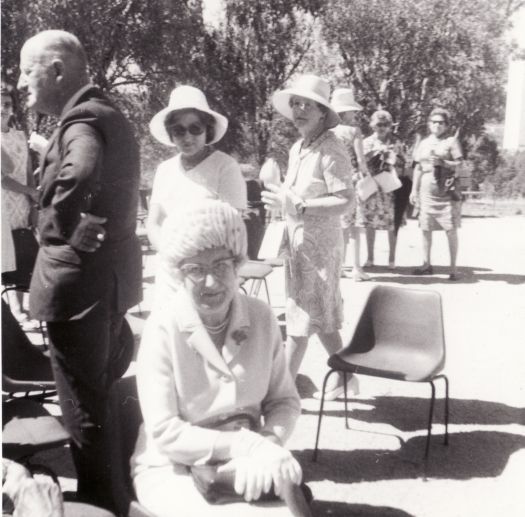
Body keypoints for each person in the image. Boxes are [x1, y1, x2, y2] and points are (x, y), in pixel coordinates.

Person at [17, 30, 142, 508]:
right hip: (103, 284)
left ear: (56, 70)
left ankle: (97, 505)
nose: (23, 83)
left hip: (76, 289)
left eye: (29, 71)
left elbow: (80, 172)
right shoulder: (105, 112)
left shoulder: (83, 118)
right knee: (98, 398)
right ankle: (111, 498)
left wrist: (58, 225)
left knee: (82, 406)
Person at [131, 200, 309, 516]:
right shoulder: (162, 328)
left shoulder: (261, 316)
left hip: (247, 460)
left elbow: (284, 401)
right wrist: (246, 446)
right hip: (173, 466)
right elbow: (166, 433)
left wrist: (267, 443)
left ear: (238, 263)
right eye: (195, 270)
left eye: (221, 266)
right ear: (177, 273)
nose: (211, 282)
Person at [262, 74, 357, 400]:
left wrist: (300, 206)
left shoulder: (331, 148)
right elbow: (293, 198)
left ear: (321, 112)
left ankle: (282, 392)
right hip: (299, 243)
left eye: (308, 105)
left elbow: (346, 200)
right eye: (296, 104)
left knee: (301, 317)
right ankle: (347, 374)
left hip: (321, 247)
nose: (300, 110)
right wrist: (279, 197)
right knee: (320, 315)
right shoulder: (298, 147)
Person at [146, 85, 247, 250]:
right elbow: (154, 223)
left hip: (212, 262)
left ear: (207, 129)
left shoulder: (226, 167)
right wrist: (169, 252)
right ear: (171, 133)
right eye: (178, 130)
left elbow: (232, 226)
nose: (187, 137)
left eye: (195, 128)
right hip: (171, 262)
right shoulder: (164, 170)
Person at [1, 81, 39, 324]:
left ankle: (25, 307)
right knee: (7, 254)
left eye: (6, 104)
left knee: (25, 252)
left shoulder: (19, 135)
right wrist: (29, 191)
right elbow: (3, 178)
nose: (2, 109)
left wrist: (33, 202)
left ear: (13, 108)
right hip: (2, 204)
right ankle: (15, 309)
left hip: (23, 202)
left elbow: (26, 171)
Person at [410, 108, 463, 280]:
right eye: (434, 122)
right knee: (425, 228)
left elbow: (460, 165)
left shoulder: (451, 142)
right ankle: (426, 264)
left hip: (445, 190)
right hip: (426, 191)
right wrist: (413, 190)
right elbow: (418, 167)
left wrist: (443, 162)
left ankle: (453, 268)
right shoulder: (424, 142)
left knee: (450, 229)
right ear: (429, 124)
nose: (437, 125)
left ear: (447, 125)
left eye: (441, 122)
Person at [330, 87, 371, 282]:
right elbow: (361, 160)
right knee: (355, 227)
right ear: (346, 112)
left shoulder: (328, 132)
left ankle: (337, 267)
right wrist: (367, 176)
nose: (354, 114)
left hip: (333, 182)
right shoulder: (354, 131)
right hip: (352, 179)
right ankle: (356, 267)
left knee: (340, 227)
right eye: (352, 111)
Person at [362, 110, 406, 269]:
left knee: (392, 224)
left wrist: (392, 158)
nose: (382, 128)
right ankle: (370, 258)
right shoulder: (366, 142)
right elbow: (363, 162)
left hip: (390, 188)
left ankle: (392, 259)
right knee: (370, 223)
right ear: (372, 125)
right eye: (379, 124)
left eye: (386, 124)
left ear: (390, 126)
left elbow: (403, 163)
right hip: (372, 187)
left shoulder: (396, 142)